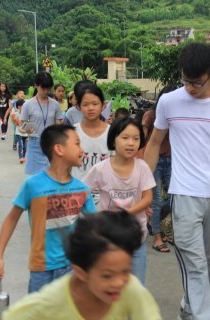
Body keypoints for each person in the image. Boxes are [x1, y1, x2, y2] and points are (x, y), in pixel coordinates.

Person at [144, 42, 210, 320]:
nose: (190, 86)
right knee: (193, 262)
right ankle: (204, 315)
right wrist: (143, 187)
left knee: (208, 261)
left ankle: (189, 307)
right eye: (186, 79)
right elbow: (154, 144)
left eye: (197, 81)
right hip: (184, 192)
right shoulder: (169, 102)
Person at [0, 124, 97, 293]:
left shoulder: (82, 189)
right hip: (41, 268)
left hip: (73, 267)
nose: (82, 150)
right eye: (77, 144)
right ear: (59, 149)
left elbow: (97, 226)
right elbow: (11, 219)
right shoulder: (33, 185)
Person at [2, 210, 162, 320]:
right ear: (80, 272)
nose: (119, 282)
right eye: (107, 275)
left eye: (126, 271)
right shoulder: (52, 300)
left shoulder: (130, 288)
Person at [84, 117, 156, 285]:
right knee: (108, 286)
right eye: (125, 137)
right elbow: (82, 192)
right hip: (107, 240)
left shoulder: (142, 167)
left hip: (136, 238)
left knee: (136, 286)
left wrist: (127, 213)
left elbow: (148, 197)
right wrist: (95, 216)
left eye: (136, 138)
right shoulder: (101, 169)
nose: (131, 143)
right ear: (113, 140)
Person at [142, 85, 177, 253]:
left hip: (172, 161)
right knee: (155, 199)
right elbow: (143, 140)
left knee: (176, 198)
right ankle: (157, 236)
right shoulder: (151, 115)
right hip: (154, 160)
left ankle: (152, 222)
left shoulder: (177, 116)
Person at [20, 72, 64, 175]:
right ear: (36, 85)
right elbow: (22, 124)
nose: (46, 91)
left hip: (51, 144)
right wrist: (26, 129)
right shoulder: (28, 105)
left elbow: (59, 126)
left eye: (48, 89)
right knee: (34, 180)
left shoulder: (55, 105)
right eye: (43, 88)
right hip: (34, 144)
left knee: (51, 178)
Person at [71, 83, 111, 183]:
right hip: (77, 192)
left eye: (95, 103)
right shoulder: (71, 133)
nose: (91, 108)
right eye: (85, 104)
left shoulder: (112, 132)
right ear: (78, 106)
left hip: (105, 193)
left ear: (103, 105)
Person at [10, 99, 28, 164]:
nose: (22, 107)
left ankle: (23, 156)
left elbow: (29, 122)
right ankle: (20, 158)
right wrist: (15, 120)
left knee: (25, 146)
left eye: (23, 105)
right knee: (20, 144)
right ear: (18, 107)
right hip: (18, 132)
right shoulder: (16, 113)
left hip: (25, 133)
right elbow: (12, 118)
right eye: (20, 106)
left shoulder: (27, 114)